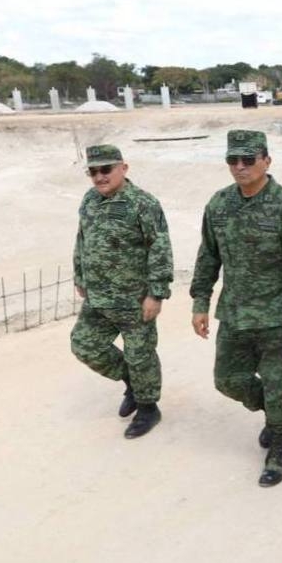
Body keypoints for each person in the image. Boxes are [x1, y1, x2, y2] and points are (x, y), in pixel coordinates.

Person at [190, 130, 282, 487]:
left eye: (248, 159)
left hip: (276, 319)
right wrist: (200, 302)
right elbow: (208, 256)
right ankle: (280, 412)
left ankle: (281, 445)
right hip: (234, 314)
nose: (240, 166)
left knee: (278, 383)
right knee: (227, 380)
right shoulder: (218, 205)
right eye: (233, 160)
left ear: (266, 160)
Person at [71, 144, 173, 439]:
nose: (99, 177)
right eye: (93, 172)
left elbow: (160, 247)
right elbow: (81, 239)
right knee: (84, 345)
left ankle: (148, 407)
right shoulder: (89, 199)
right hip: (98, 297)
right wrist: (80, 275)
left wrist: (156, 293)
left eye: (106, 170)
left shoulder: (143, 203)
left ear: (123, 168)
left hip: (134, 300)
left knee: (140, 354)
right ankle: (132, 381)